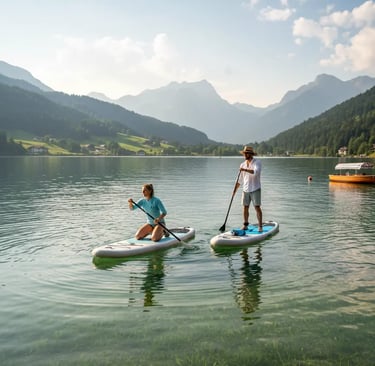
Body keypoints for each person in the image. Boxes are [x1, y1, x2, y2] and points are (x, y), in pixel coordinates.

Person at [234, 146, 263, 232]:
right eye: (244, 153)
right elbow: (239, 179)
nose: (245, 155)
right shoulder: (242, 164)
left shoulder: (257, 162)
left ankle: (260, 226)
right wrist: (234, 191)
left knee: (257, 207)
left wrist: (244, 169)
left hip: (255, 188)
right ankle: (245, 225)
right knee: (245, 207)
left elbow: (255, 172)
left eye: (246, 153)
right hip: (245, 189)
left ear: (250, 154)